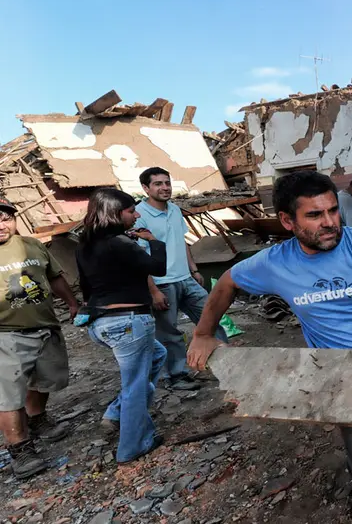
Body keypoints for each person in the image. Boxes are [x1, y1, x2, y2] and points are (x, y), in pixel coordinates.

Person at [187, 171, 352, 524]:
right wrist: (202, 333)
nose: (330, 222)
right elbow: (226, 282)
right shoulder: (276, 263)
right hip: (341, 379)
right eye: (315, 215)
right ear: (288, 221)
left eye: (332, 210)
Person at [75, 188, 168, 463]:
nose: (136, 215)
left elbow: (85, 287)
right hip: (129, 322)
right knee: (135, 387)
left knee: (158, 354)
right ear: (115, 214)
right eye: (131, 211)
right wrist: (154, 241)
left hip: (101, 323)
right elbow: (158, 268)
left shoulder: (84, 245)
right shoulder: (119, 243)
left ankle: (116, 412)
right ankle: (133, 446)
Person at [0, 196, 79, 479]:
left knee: (46, 379)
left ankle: (37, 419)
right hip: (5, 333)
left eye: (6, 218)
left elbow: (54, 276)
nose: (1, 225)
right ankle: (19, 449)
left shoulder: (32, 244)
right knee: (8, 396)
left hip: (46, 325)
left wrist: (72, 302)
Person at [134, 167, 227, 392]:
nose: (165, 187)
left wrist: (194, 270)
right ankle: (176, 376)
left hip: (186, 278)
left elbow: (181, 241)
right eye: (158, 184)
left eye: (167, 183)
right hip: (162, 283)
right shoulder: (138, 215)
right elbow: (139, 257)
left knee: (211, 318)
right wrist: (153, 291)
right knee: (170, 334)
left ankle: (227, 363)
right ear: (146, 188)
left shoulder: (174, 209)